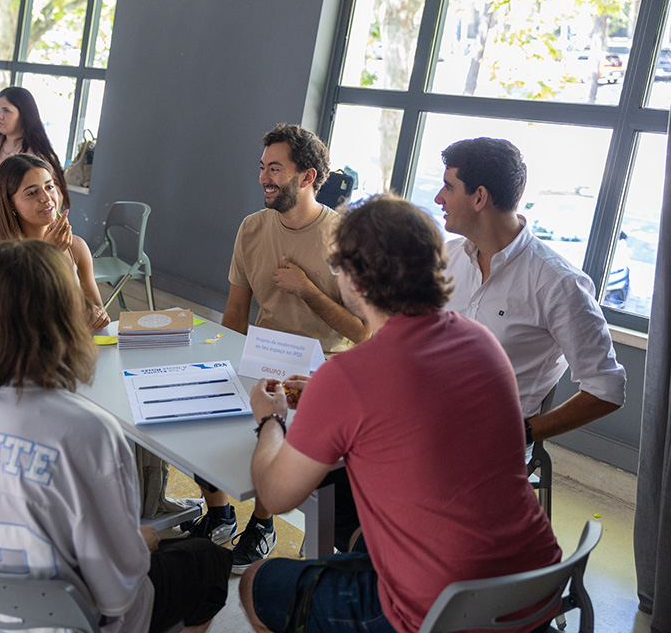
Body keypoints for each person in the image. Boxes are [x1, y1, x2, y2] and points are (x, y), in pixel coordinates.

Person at [239, 194, 562, 633]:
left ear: (355, 279)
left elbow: (275, 496)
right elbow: (420, 404)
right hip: (534, 589)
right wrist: (328, 398)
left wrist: (270, 420)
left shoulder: (349, 375)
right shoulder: (481, 341)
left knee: (259, 582)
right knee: (358, 539)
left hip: (444, 613)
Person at [0, 239, 232, 633]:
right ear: (65, 322)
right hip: (69, 623)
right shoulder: (87, 429)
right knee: (207, 562)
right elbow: (118, 593)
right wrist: (138, 542)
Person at [183, 123, 368, 573]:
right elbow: (235, 312)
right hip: (262, 355)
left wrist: (307, 290)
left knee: (275, 439)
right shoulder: (252, 228)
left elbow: (363, 332)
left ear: (307, 177)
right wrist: (218, 371)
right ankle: (221, 512)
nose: (265, 178)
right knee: (194, 427)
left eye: (276, 169)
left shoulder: (346, 238)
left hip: (323, 370)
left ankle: (262, 524)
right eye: (262, 168)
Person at [436, 138, 626, 447]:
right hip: (423, 429)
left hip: (486, 455)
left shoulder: (560, 284)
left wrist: (521, 433)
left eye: (448, 187)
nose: (438, 198)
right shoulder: (448, 257)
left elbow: (606, 389)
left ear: (479, 197)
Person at [0, 154, 109, 330]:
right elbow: (14, 323)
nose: (46, 198)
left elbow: (98, 313)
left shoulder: (76, 248)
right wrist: (46, 255)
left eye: (49, 186)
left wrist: (96, 315)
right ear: (10, 204)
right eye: (32, 192)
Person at [0, 86, 70, 207]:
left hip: (15, 224)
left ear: (24, 115)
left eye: (6, 110)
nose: (0, 116)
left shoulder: (36, 155)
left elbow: (55, 196)